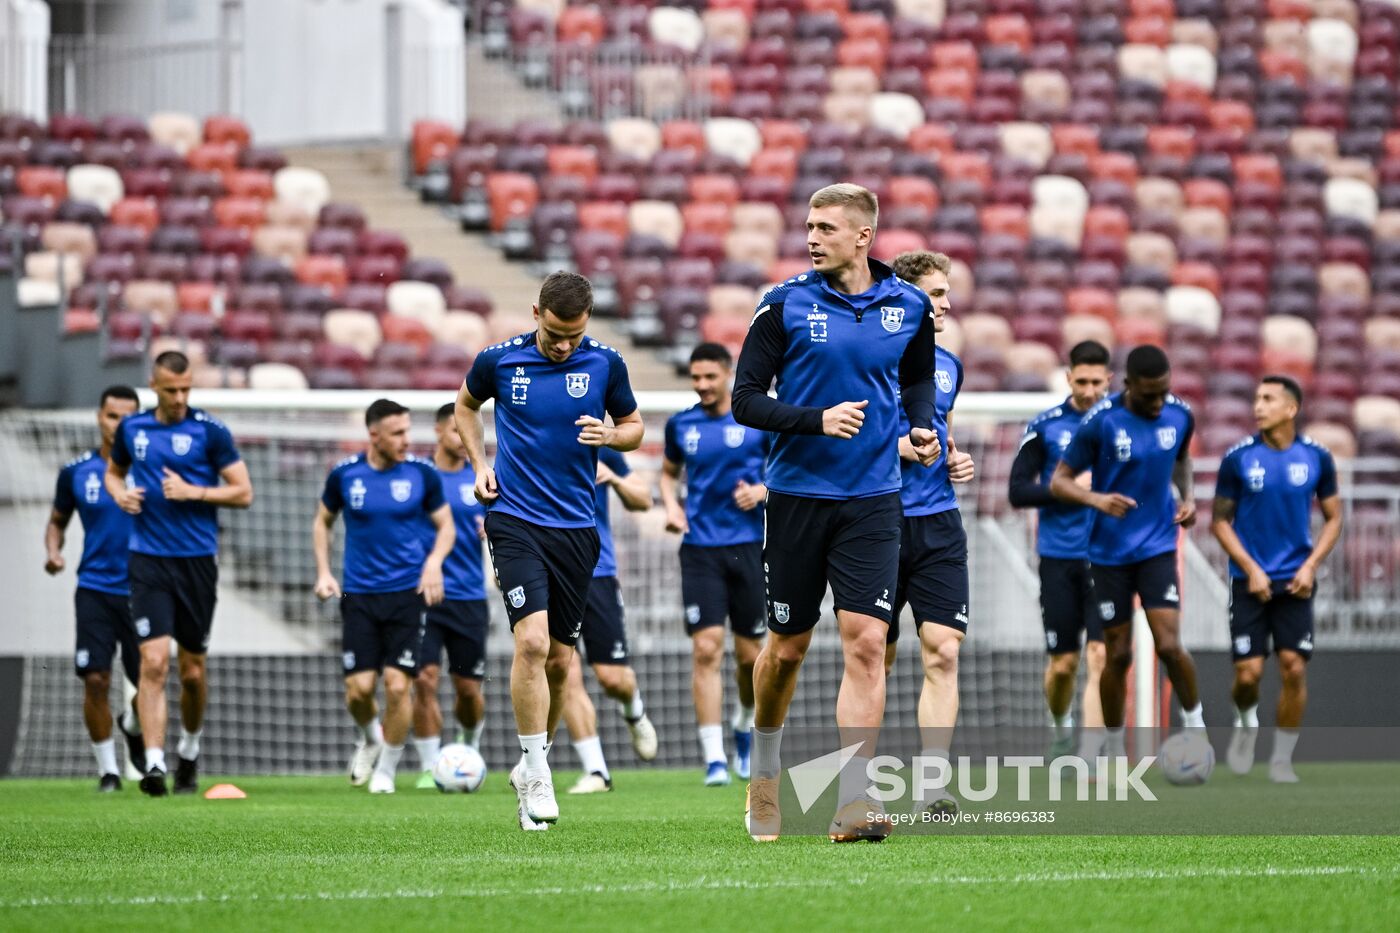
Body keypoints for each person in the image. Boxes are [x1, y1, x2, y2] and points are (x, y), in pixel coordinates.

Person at [732, 184, 940, 843]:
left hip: (874, 498)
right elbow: (744, 401)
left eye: (826, 227)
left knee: (868, 640)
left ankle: (854, 798)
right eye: (809, 225)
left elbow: (917, 377)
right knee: (788, 649)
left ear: (863, 236)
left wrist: (922, 425)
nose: (812, 236)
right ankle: (763, 772)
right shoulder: (784, 303)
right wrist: (815, 421)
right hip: (796, 497)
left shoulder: (908, 305)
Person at [455, 271, 643, 831]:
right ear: (536, 312)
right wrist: (479, 464)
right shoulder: (499, 361)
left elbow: (633, 425)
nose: (565, 346)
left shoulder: (605, 363)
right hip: (514, 519)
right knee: (532, 642)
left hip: (578, 529)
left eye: (575, 336)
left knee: (561, 662)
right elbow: (464, 407)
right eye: (557, 334)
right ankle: (537, 769)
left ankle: (530, 765)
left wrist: (611, 437)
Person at [1050, 345, 1204, 773]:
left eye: (1164, 393)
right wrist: (1096, 498)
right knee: (1117, 655)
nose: (1158, 403)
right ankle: (1115, 746)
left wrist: (1187, 497)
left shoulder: (1180, 415)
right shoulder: (1100, 422)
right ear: (1129, 385)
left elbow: (1181, 458)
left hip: (1156, 547)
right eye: (1149, 395)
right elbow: (1060, 482)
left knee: (1169, 644)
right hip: (1108, 554)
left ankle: (1196, 728)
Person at [106, 351, 254, 796]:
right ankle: (154, 764)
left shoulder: (210, 431)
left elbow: (243, 492)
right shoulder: (133, 429)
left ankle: (188, 751)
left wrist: (195, 491)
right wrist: (120, 494)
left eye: (186, 388)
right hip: (148, 560)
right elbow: (114, 474)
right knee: (153, 663)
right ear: (153, 385)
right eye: (171, 390)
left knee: (191, 672)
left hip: (196, 563)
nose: (180, 397)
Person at [313, 399, 454, 795]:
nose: (407, 440)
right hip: (359, 595)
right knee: (358, 691)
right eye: (398, 433)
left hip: (407, 595)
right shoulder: (345, 475)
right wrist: (324, 571)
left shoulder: (421, 474)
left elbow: (446, 527)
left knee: (397, 686)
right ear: (373, 435)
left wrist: (433, 564)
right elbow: (322, 522)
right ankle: (370, 737)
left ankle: (387, 771)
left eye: (408, 431)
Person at [880, 251, 975, 815]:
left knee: (943, 652)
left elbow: (943, 426)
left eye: (947, 294)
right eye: (936, 294)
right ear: (906, 297)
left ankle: (934, 785)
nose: (946, 305)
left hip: (938, 522)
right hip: (876, 521)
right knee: (875, 658)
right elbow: (841, 438)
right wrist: (899, 450)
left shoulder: (949, 365)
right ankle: (859, 784)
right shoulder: (868, 361)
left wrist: (954, 459)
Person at [1211, 376, 1343, 783]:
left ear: (1291, 409)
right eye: (1256, 398)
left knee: (1293, 668)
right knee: (1248, 675)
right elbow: (1219, 522)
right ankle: (1245, 721)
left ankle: (1282, 759)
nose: (1258, 406)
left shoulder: (1317, 458)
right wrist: (1251, 569)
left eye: (1268, 399)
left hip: (1295, 581)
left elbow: (1334, 517)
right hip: (1249, 583)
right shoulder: (1238, 458)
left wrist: (1310, 566)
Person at [660, 342, 769, 787]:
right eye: (695, 378)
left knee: (749, 659)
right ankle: (714, 759)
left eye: (710, 377)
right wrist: (669, 506)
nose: (702, 385)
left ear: (728, 374)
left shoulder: (758, 419)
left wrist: (763, 491)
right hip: (700, 549)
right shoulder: (680, 424)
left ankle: (743, 727)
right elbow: (668, 474)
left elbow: (788, 470)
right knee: (705, 650)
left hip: (752, 547)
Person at [1007, 341, 1112, 761]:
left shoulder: (1123, 427)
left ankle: (1090, 753)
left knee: (1101, 655)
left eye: (1096, 382)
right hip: (1058, 558)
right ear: (1069, 378)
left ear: (1109, 381)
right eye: (1081, 381)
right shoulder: (1046, 426)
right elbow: (1017, 491)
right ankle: (1061, 727)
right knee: (1064, 665)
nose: (1088, 389)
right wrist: (1068, 491)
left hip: (1108, 560)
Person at [45, 385, 143, 791]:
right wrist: (54, 551)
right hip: (95, 588)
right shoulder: (76, 472)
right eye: (112, 416)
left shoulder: (153, 469)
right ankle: (108, 772)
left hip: (144, 589)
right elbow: (57, 521)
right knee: (96, 680)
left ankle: (135, 725)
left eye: (128, 417)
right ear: (99, 418)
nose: (119, 425)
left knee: (151, 681)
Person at [561, 446, 658, 795]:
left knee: (612, 678)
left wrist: (614, 477)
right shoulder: (529, 439)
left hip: (597, 571)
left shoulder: (602, 448)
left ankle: (634, 712)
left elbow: (644, 500)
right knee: (562, 671)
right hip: (550, 571)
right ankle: (597, 771)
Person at [411, 404, 490, 789]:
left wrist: (493, 527)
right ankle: (429, 765)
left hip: (469, 595)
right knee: (424, 679)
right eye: (457, 431)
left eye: (468, 432)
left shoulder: (482, 477)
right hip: (422, 594)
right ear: (439, 431)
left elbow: (506, 520)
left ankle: (468, 748)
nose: (463, 439)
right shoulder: (417, 478)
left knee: (468, 690)